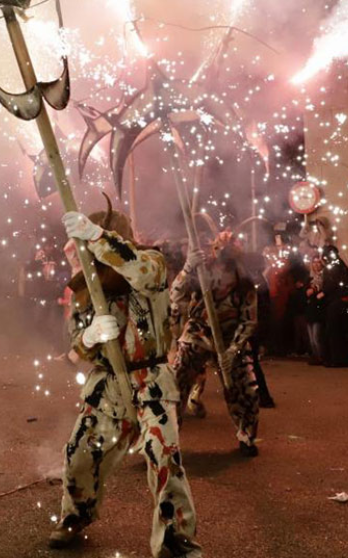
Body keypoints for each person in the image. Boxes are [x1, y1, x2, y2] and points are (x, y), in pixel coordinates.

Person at [50, 199, 202, 558]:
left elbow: (139, 270)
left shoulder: (151, 264)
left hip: (151, 381)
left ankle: (175, 535)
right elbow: (77, 343)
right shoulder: (87, 285)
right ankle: (75, 514)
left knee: (164, 459)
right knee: (79, 454)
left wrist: (97, 236)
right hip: (106, 386)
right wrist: (89, 339)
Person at [171, 230, 262, 456]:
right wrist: (188, 268)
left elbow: (249, 320)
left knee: (247, 389)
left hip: (230, 338)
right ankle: (167, 438)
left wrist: (233, 350)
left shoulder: (245, 284)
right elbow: (175, 295)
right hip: (198, 333)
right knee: (175, 383)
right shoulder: (201, 272)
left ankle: (247, 435)